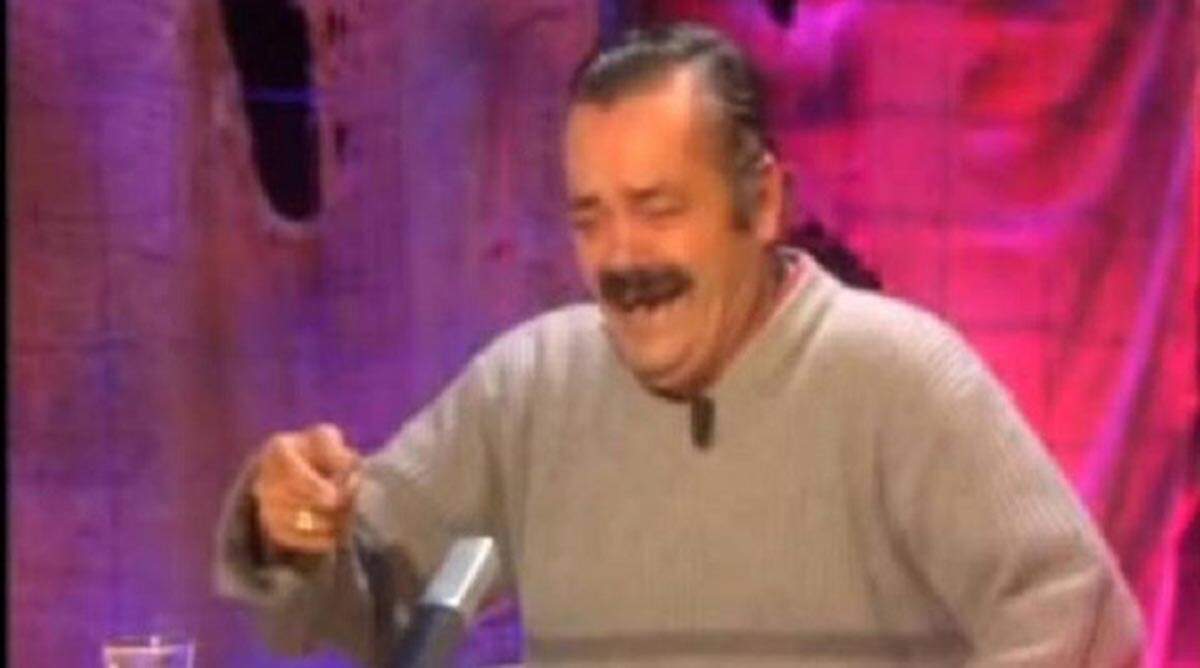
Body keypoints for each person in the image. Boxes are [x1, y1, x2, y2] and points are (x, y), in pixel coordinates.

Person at [215, 23, 1144, 666]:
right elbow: (373, 604)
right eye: (591, 218)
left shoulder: (899, 378)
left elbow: (1080, 626)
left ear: (763, 203)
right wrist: (289, 525)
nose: (622, 259)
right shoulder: (530, 390)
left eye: (657, 209)